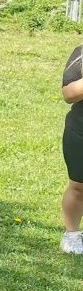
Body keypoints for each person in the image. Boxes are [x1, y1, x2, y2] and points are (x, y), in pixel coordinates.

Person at [62, 42, 83, 254]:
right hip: (81, 130)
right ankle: (72, 235)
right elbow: (68, 94)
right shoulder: (81, 53)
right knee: (79, 186)